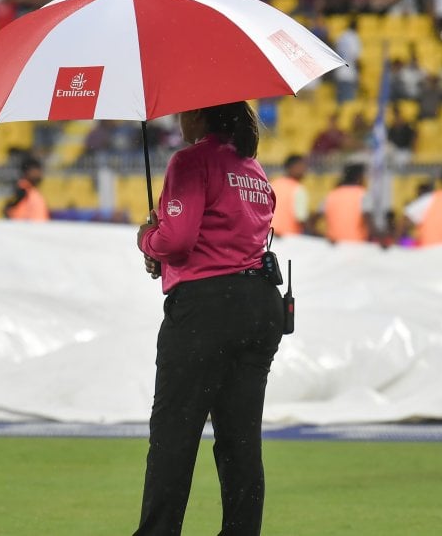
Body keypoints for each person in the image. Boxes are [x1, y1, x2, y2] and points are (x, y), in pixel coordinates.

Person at [133, 101, 282, 536]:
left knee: (174, 435)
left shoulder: (191, 161)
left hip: (206, 309)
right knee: (240, 439)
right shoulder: (252, 168)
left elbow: (177, 241)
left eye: (183, 112)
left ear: (198, 115)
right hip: (259, 303)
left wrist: (149, 239)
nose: (178, 120)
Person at [319, 163, 372, 243]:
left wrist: (323, 238)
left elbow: (312, 221)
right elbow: (369, 224)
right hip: (356, 245)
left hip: (333, 246)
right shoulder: (363, 195)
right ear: (359, 177)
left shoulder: (332, 195)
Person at [269, 154, 309, 236]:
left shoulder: (273, 184)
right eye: (301, 166)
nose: (304, 170)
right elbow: (300, 218)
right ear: (292, 167)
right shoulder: (298, 189)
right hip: (289, 238)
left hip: (269, 236)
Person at [4, 157, 49, 221]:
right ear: (26, 172)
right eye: (35, 171)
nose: (39, 175)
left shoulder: (31, 191)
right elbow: (10, 210)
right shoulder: (22, 190)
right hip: (24, 226)